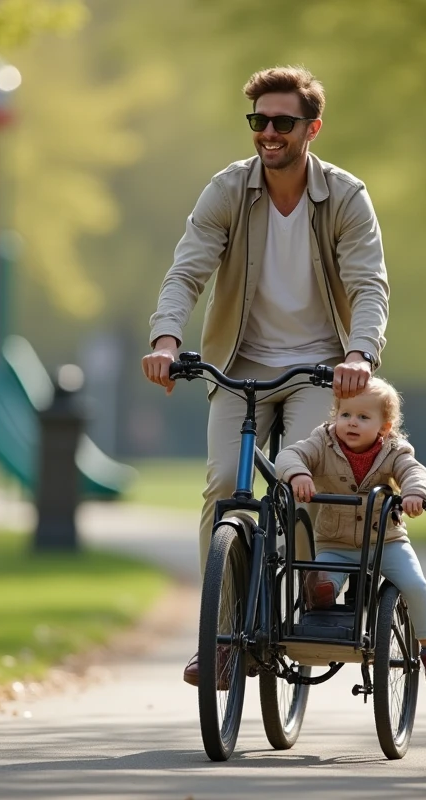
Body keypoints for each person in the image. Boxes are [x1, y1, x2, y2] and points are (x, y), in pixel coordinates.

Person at [141, 65, 391, 687]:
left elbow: (368, 284)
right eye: (260, 121)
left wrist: (359, 354)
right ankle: (221, 636)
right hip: (241, 364)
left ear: (312, 128)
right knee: (225, 482)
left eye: (284, 122)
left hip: (320, 369)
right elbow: (188, 270)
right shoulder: (228, 189)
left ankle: (311, 597)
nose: (269, 132)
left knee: (299, 480)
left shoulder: (345, 196)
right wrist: (166, 339)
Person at [274, 377, 426, 690]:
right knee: (321, 586)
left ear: (384, 428)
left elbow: (416, 471)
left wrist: (415, 493)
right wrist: (299, 473)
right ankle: (319, 602)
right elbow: (289, 455)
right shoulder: (323, 441)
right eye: (345, 415)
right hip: (336, 543)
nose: (351, 423)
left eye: (363, 417)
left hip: (386, 541)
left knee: (415, 584)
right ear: (335, 416)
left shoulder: (393, 450)